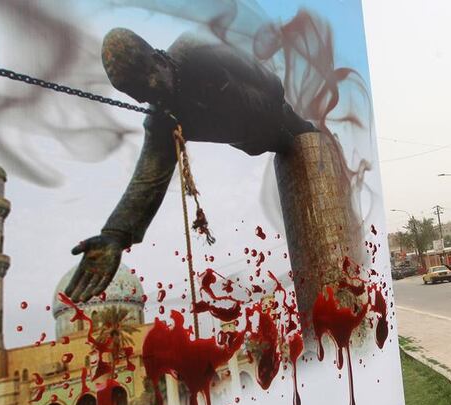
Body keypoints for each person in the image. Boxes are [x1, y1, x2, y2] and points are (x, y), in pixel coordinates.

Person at [64, 28, 317, 302]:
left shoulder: (195, 47)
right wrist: (114, 235)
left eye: (145, 84)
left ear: (159, 60)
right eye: (134, 94)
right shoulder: (162, 118)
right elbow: (147, 180)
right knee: (286, 147)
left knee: (309, 140)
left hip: (272, 110)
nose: (144, 98)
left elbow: (254, 71)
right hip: (256, 139)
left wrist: (272, 97)